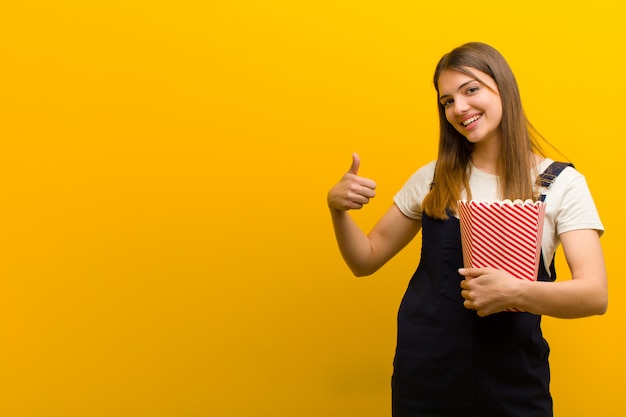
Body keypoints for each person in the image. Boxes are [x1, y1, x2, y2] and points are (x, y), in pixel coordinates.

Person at [326, 42, 608, 417]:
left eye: (470, 90)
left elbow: (594, 295)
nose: (458, 108)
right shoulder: (432, 180)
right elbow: (365, 259)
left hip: (514, 383)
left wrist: (517, 292)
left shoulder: (560, 184)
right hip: (425, 380)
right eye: (446, 101)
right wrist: (338, 210)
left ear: (502, 87)